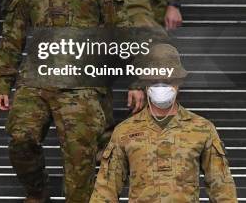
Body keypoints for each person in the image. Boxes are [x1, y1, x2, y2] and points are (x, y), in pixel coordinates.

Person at [0, 0, 144, 203]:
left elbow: (123, 31)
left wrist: (136, 79)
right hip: (35, 81)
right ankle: (37, 192)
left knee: (80, 160)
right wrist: (3, 81)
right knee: (21, 140)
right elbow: (12, 36)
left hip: (82, 84)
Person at [90, 43, 238, 202]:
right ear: (145, 83)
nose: (161, 86)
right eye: (155, 80)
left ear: (179, 82)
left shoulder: (202, 129)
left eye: (167, 80)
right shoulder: (124, 132)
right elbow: (105, 190)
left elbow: (222, 189)